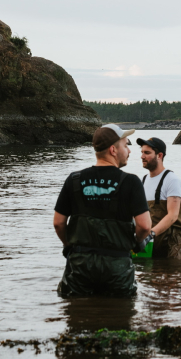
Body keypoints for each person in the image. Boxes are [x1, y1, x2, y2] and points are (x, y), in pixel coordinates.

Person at [53, 124, 152, 297]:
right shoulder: (131, 182)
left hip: (80, 265)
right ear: (113, 150)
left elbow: (58, 223)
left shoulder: (74, 180)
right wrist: (137, 243)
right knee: (121, 315)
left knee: (76, 314)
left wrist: (69, 246)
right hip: (118, 267)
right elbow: (144, 227)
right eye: (126, 145)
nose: (129, 151)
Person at [137, 136, 181, 259]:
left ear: (159, 155)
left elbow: (173, 215)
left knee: (173, 274)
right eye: (141, 152)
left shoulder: (171, 179)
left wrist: (150, 234)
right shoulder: (143, 180)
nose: (142, 156)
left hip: (172, 241)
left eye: (147, 153)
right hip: (151, 240)